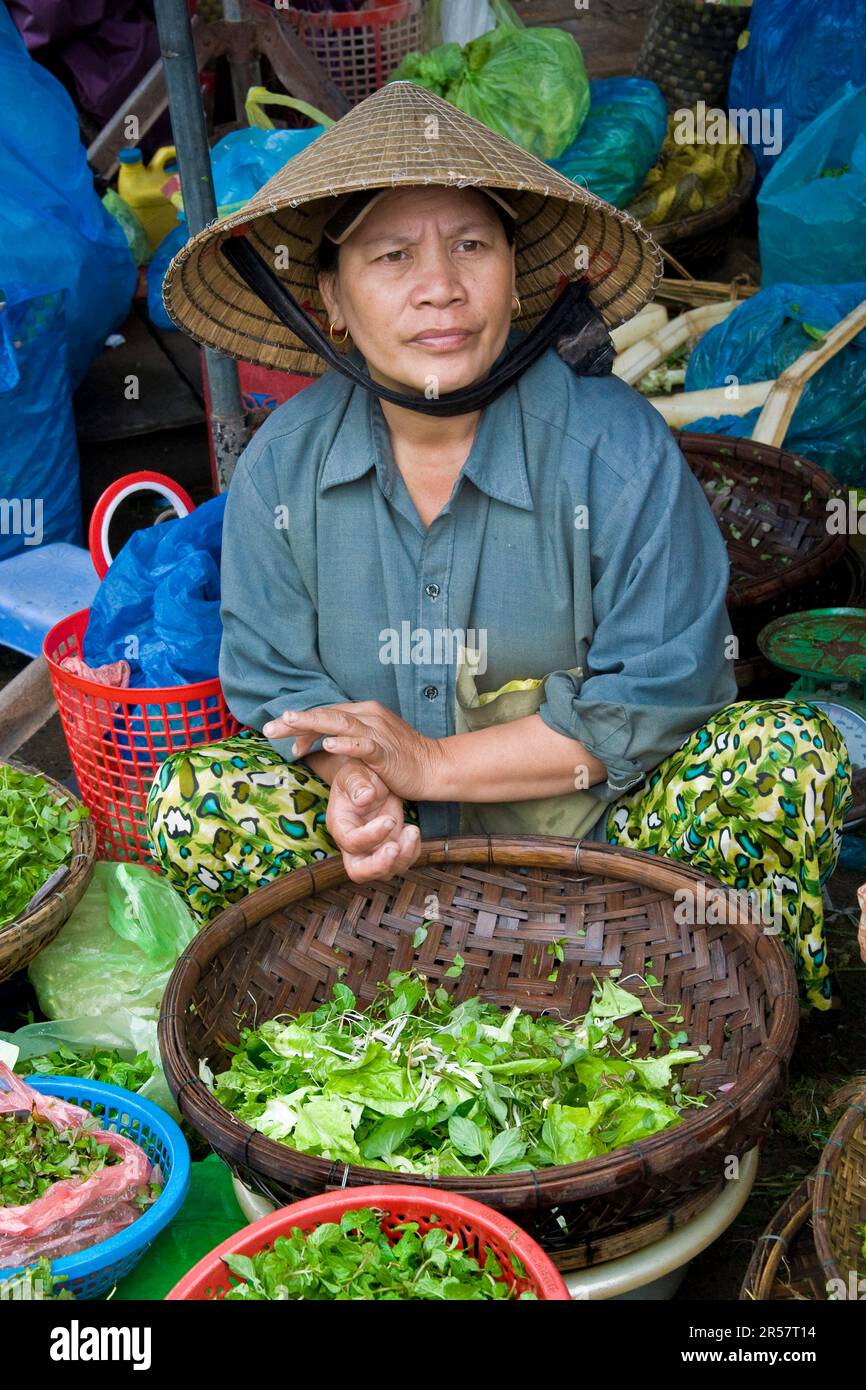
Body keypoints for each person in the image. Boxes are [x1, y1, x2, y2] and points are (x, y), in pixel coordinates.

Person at [152, 82, 850, 1010]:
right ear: (332, 301)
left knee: (781, 755)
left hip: (613, 862)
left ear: (515, 277)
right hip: (387, 882)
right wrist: (356, 787)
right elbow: (280, 689)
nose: (440, 286)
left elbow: (665, 685)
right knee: (196, 798)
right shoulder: (282, 468)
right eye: (393, 255)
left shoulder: (616, 449)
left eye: (471, 246)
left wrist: (434, 764)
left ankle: (718, 1031)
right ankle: (364, 1021)